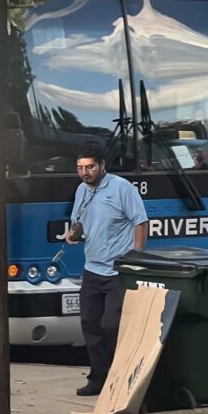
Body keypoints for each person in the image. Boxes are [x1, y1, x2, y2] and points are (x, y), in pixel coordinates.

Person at [67, 142, 149, 396]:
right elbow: (80, 221)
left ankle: (121, 377)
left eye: (90, 167)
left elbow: (141, 221)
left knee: (111, 326)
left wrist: (136, 256)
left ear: (102, 165)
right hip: (92, 268)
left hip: (118, 270)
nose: (85, 172)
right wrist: (74, 233)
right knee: (90, 324)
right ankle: (98, 379)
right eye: (80, 168)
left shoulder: (121, 188)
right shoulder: (82, 190)